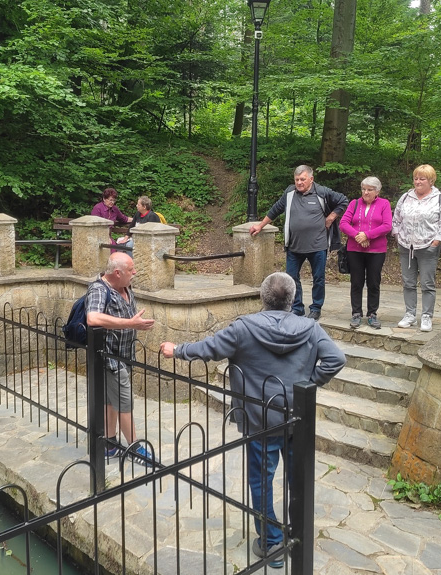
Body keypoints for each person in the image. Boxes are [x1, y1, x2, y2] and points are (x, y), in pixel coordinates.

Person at [160, 272, 345, 568]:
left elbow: (208, 349)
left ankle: (272, 543)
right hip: (298, 414)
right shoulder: (310, 328)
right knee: (298, 478)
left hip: (260, 418)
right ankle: (296, 535)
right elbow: (337, 359)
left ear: (262, 297)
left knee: (261, 481)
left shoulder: (243, 328)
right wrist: (308, 385)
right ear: (293, 298)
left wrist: (177, 350)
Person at [249, 165, 349, 320]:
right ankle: (297, 308)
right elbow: (276, 209)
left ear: (311, 179)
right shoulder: (289, 193)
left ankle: (316, 308)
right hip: (294, 246)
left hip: (317, 245)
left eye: (303, 179)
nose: (299, 182)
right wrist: (260, 225)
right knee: (292, 278)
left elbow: (343, 200)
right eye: (297, 179)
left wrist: (331, 217)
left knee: (318, 279)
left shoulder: (322, 192)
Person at [86, 252, 156, 463]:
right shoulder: (99, 289)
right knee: (125, 403)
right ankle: (135, 448)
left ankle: (109, 444)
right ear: (117, 273)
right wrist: (130, 324)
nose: (134, 273)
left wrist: (135, 325)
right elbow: (92, 317)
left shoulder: (125, 286)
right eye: (130, 270)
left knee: (110, 401)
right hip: (110, 359)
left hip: (125, 356)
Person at [391, 164, 441, 332]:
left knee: (427, 283)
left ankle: (426, 316)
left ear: (431, 181)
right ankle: (410, 314)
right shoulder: (405, 197)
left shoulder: (439, 199)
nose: (418, 182)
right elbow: (396, 219)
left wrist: (436, 242)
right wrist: (397, 235)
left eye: (422, 179)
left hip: (428, 247)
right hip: (406, 246)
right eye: (416, 178)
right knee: (408, 283)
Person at [339, 176, 393, 329]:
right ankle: (356, 313)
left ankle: (372, 314)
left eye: (370, 189)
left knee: (373, 282)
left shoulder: (384, 204)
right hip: (354, 250)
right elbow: (343, 223)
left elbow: (387, 225)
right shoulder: (354, 203)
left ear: (377, 191)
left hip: (376, 251)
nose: (366, 192)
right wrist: (359, 236)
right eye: (364, 189)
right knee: (356, 282)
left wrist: (368, 235)